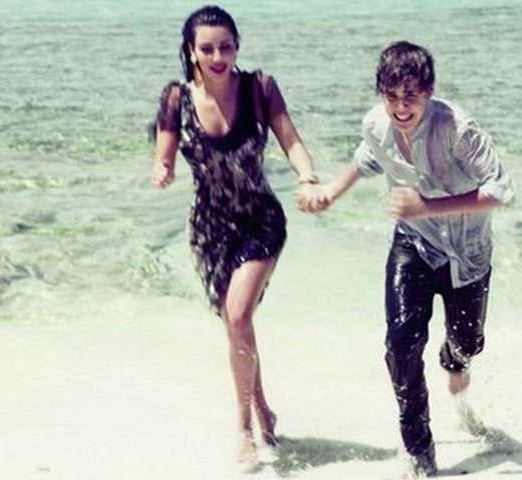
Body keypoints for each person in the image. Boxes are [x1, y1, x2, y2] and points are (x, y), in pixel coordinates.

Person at [297, 40, 514, 477]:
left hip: (466, 255)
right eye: (391, 95)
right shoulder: (376, 123)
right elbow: (367, 159)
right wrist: (330, 193)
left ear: (429, 91)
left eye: (410, 96)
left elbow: (501, 191)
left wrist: (426, 206)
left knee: (466, 345)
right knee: (400, 344)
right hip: (413, 245)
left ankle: (454, 361)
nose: (400, 107)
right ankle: (419, 451)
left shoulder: (457, 129)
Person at [150, 5, 321, 466]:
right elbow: (164, 154)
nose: (218, 56)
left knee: (239, 312)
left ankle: (244, 427)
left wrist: (307, 177)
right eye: (207, 49)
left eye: (226, 47)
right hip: (209, 229)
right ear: (192, 52)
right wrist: (162, 170)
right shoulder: (176, 99)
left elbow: (291, 140)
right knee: (236, 324)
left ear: (237, 47)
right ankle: (264, 409)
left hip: (259, 219)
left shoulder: (259, 88)